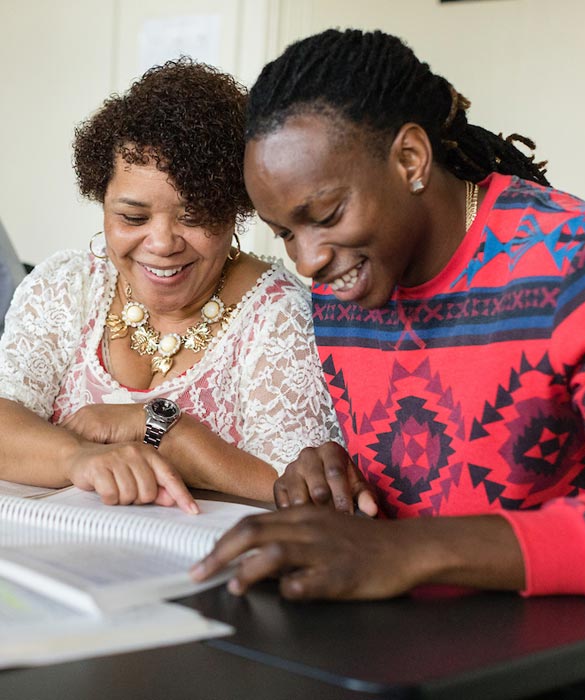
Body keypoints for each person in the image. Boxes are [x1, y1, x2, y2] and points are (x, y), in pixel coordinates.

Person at [192, 29, 585, 696]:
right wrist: (333, 473)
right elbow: (436, 471)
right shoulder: (347, 290)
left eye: (326, 214)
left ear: (409, 158)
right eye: (287, 232)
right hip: (431, 647)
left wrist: (408, 551)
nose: (307, 259)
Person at [0, 58, 341, 512]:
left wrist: (171, 435)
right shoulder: (66, 286)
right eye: (132, 217)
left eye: (194, 217)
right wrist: (79, 457)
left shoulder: (278, 318)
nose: (161, 244)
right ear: (101, 202)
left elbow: (305, 493)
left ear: (233, 209)